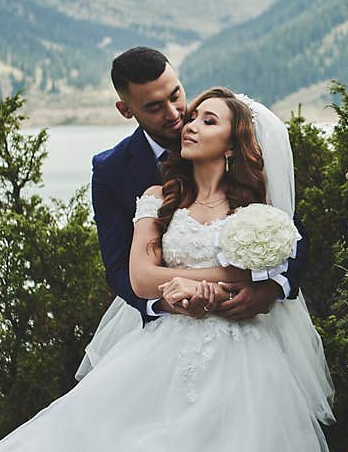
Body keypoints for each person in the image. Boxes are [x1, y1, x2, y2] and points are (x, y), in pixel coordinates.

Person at [0, 87, 334, 452]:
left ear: (232, 145)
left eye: (208, 121)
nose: (190, 125)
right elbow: (142, 278)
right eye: (193, 117)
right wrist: (207, 283)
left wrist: (197, 281)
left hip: (246, 356)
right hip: (163, 348)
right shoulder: (158, 196)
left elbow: (267, 264)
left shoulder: (257, 209)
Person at [75, 47, 309, 380]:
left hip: (246, 337)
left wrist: (267, 290)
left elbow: (288, 231)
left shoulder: (225, 132)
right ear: (126, 109)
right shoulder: (112, 170)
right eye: (154, 107)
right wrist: (165, 302)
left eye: (176, 95)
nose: (175, 114)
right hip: (163, 331)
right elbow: (118, 268)